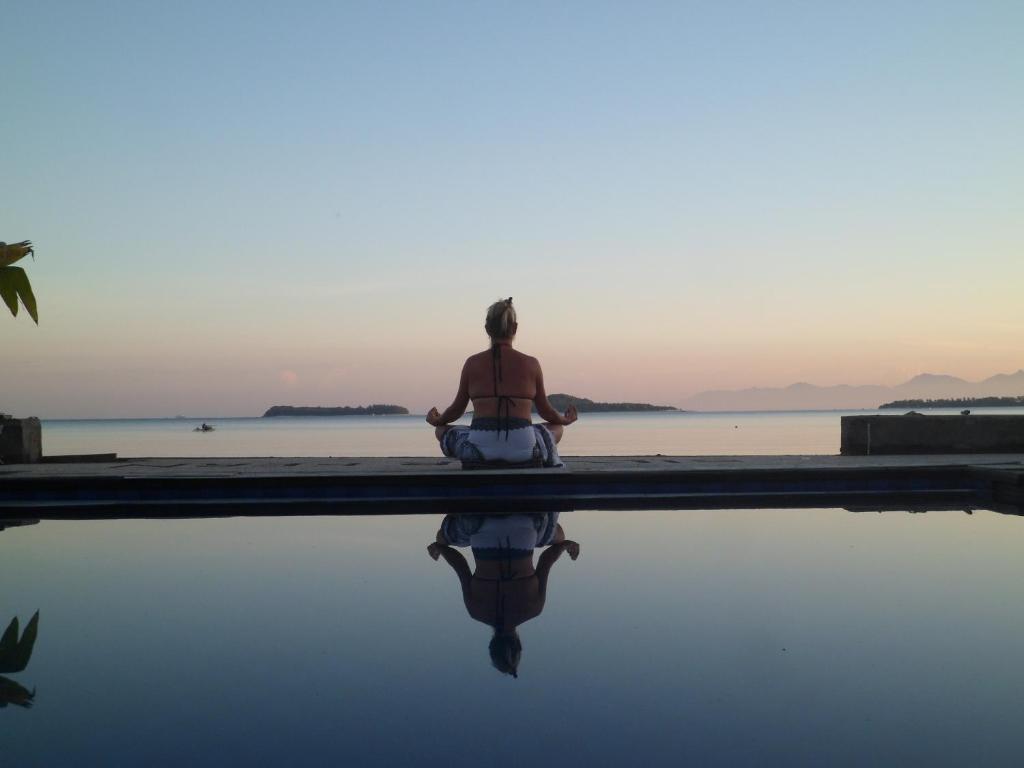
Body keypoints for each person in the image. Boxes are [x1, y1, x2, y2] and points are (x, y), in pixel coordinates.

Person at [426, 298, 577, 466]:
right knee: (556, 429)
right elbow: (546, 412)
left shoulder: (472, 363)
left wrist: (437, 421)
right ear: (515, 328)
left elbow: (456, 410)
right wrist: (564, 420)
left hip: (478, 453)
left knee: (441, 431)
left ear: (487, 329)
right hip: (525, 452)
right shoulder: (531, 364)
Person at [428, 513, 580, 678]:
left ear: (519, 644)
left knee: (560, 536)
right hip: (477, 524)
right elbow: (460, 565)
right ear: (491, 645)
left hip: (527, 522)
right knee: (441, 538)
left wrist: (565, 545)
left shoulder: (534, 608)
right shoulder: (476, 611)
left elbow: (546, 559)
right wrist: (440, 548)